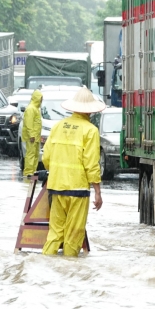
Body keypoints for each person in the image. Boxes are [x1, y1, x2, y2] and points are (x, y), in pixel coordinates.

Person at [41, 86, 104, 257]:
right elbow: (91, 164)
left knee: (54, 234)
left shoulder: (57, 127)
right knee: (73, 236)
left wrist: (55, 174)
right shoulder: (90, 131)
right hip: (78, 191)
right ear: (90, 111)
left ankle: (45, 269)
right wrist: (98, 192)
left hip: (56, 188)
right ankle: (69, 275)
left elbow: (46, 157)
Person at [21, 89, 43, 177]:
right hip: (32, 137)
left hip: (36, 136)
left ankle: (33, 171)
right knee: (30, 154)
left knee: (35, 155)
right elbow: (29, 123)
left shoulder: (36, 109)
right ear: (37, 98)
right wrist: (32, 135)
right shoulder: (31, 109)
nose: (41, 100)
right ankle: (28, 173)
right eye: (41, 98)